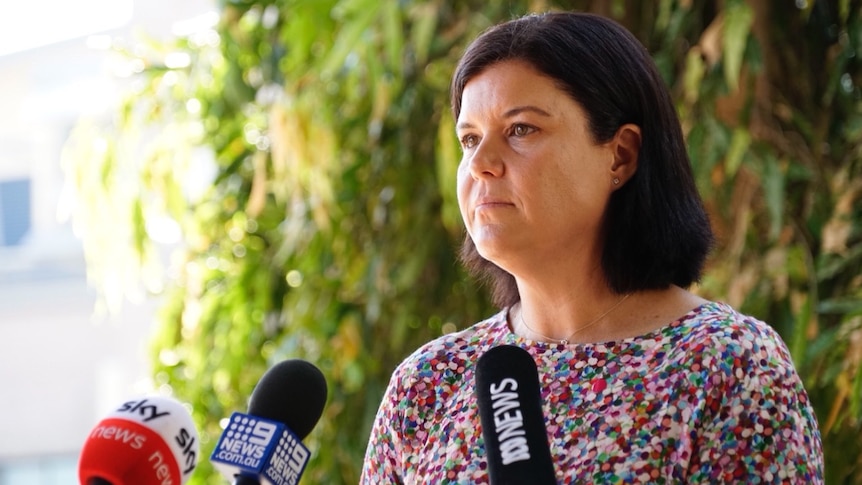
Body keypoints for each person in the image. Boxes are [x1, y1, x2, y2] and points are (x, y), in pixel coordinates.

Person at [360, 11, 823, 484]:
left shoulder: (729, 365)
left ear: (620, 155)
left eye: (521, 129)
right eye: (470, 139)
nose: (480, 164)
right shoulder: (428, 384)